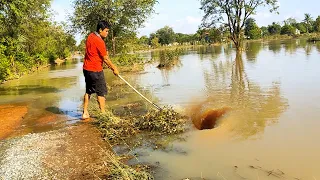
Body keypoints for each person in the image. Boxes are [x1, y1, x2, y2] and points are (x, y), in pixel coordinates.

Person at [82, 20, 119, 119]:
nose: (107, 33)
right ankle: (103, 114)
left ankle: (85, 113)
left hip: (86, 69)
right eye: (106, 31)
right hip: (95, 70)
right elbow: (105, 58)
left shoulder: (90, 36)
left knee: (88, 91)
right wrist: (114, 68)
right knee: (101, 92)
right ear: (100, 30)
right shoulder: (99, 41)